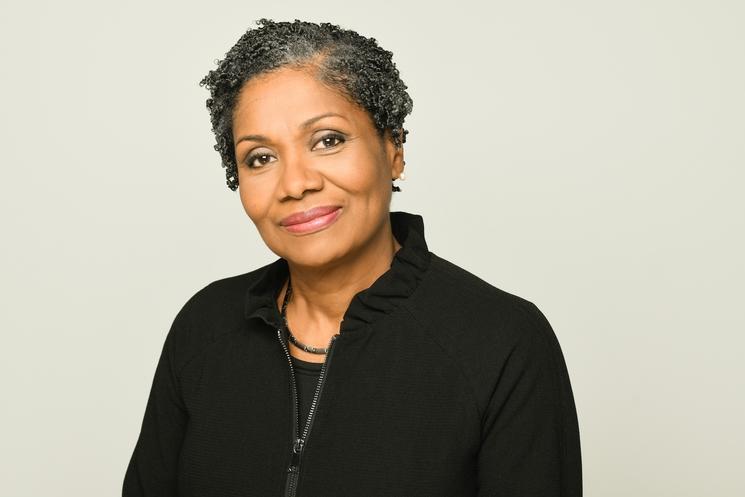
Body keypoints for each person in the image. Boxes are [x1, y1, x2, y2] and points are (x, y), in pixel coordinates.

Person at [122, 18, 582, 497]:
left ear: (394, 148)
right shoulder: (204, 326)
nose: (295, 183)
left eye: (328, 140)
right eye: (260, 158)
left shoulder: (502, 341)